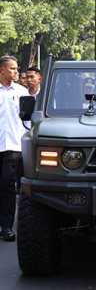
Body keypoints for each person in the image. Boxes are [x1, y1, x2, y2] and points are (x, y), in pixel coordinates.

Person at [0, 55, 29, 241]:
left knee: (8, 186)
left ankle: (7, 227)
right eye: (12, 69)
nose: (16, 72)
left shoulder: (22, 92)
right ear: (1, 70)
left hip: (13, 146)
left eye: (17, 68)